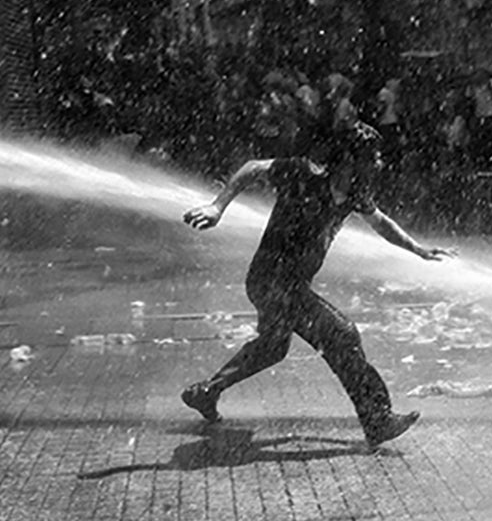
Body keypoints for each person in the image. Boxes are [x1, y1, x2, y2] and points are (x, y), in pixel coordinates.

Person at [180, 120, 453, 448]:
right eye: (373, 157)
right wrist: (216, 207)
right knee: (342, 334)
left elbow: (381, 223)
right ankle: (377, 419)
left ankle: (207, 392)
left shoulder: (354, 193)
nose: (379, 164)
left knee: (272, 348)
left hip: (287, 285)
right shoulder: (302, 174)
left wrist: (418, 250)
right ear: (351, 159)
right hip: (272, 281)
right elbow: (253, 168)